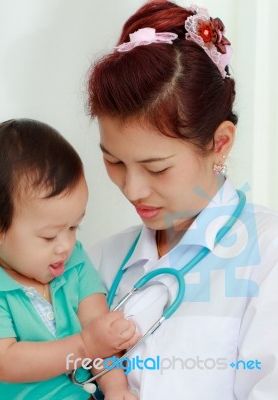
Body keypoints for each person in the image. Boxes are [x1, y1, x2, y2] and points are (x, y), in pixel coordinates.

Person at [86, 1, 278, 399]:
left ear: (219, 142)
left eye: (156, 168)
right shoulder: (102, 261)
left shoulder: (267, 254)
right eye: (114, 161)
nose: (133, 189)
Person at [0, 118, 140, 400]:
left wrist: (115, 388)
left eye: (74, 227)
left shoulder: (73, 262)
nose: (66, 245)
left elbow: (100, 330)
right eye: (49, 236)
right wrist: (85, 346)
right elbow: (6, 363)